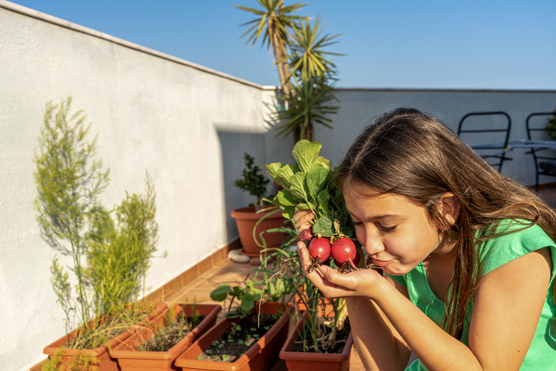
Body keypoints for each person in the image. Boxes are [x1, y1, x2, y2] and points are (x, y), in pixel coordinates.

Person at [294, 108, 556, 371]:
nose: (370, 244)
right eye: (358, 222)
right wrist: (350, 284)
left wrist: (382, 292)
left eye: (387, 225)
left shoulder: (513, 246)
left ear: (445, 210)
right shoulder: (407, 257)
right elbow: (387, 364)